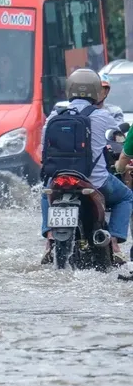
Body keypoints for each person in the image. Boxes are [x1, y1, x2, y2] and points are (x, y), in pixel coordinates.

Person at [41, 68, 133, 265]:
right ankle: (115, 241)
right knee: (126, 196)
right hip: (95, 181)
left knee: (44, 192)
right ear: (95, 91)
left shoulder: (53, 116)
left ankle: (49, 238)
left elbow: (43, 148)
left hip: (58, 179)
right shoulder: (103, 116)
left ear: (70, 89)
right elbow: (117, 140)